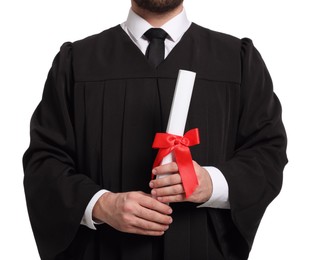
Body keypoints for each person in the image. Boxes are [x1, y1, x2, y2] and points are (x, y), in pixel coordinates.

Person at [23, 0, 288, 259]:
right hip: (103, 250)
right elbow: (44, 162)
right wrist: (101, 205)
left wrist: (211, 183)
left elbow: (267, 152)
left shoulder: (237, 60)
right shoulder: (76, 62)